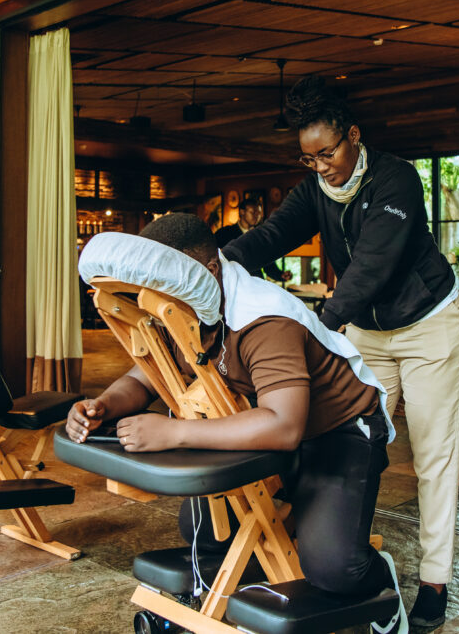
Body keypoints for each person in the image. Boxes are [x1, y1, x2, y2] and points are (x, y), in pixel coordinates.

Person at [67, 213, 409, 634]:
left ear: (207, 271)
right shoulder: (179, 307)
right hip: (259, 422)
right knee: (204, 530)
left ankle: (379, 586)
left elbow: (284, 427)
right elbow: (144, 377)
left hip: (339, 429)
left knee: (334, 568)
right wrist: (102, 405)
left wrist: (173, 432)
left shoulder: (263, 317)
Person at [222, 75, 459, 629]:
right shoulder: (313, 189)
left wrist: (317, 325)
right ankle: (348, 556)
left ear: (352, 136)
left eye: (328, 152)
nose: (321, 166)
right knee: (351, 441)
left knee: (433, 456)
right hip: (365, 333)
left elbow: (371, 269)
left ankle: (434, 581)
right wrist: (213, 263)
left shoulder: (396, 179)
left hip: (428, 326)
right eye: (308, 159)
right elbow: (270, 235)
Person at [214, 197, 292, 282]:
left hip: (256, 283)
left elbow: (268, 265)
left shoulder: (260, 236)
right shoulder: (224, 233)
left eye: (258, 213)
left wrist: (281, 275)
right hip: (233, 283)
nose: (256, 216)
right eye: (253, 212)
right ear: (242, 212)